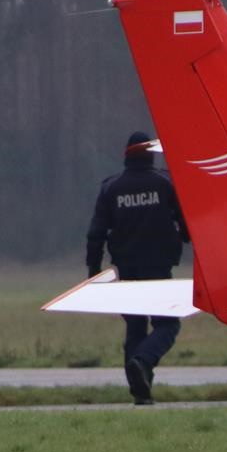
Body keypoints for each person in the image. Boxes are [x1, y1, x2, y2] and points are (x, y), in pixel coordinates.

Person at [85, 130, 188, 404]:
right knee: (168, 324)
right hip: (158, 267)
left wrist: (94, 269)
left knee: (135, 327)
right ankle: (143, 361)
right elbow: (186, 219)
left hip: (127, 269)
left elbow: (96, 233)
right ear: (151, 154)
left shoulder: (111, 187)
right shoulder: (165, 183)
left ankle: (140, 390)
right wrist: (186, 237)